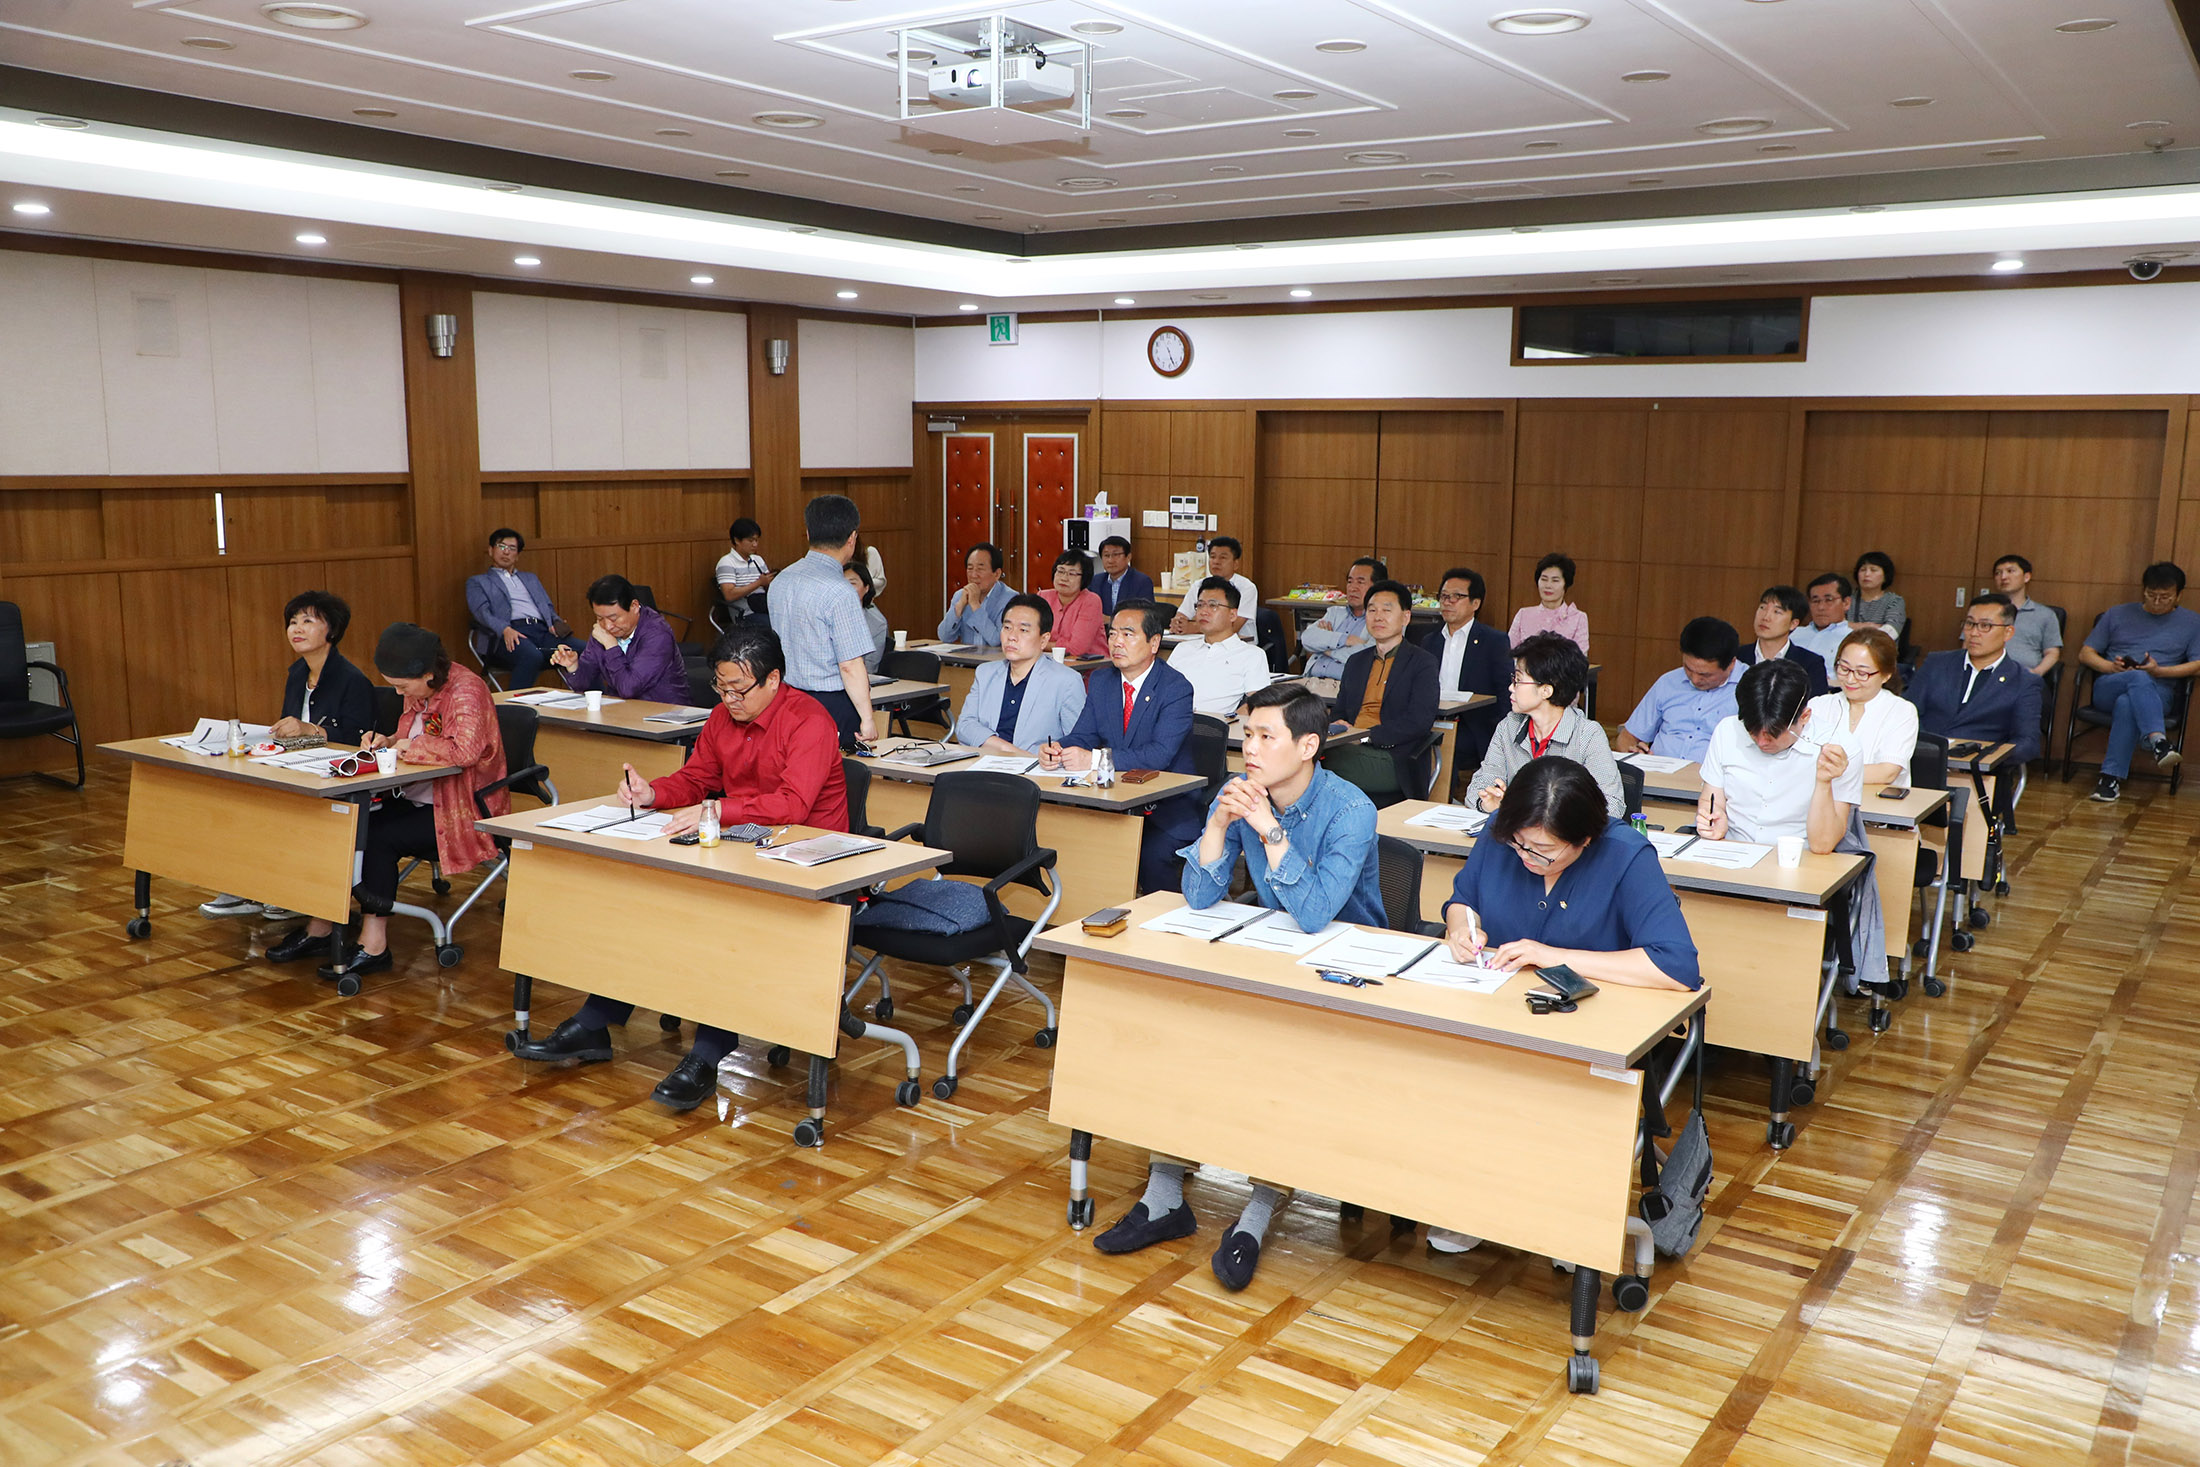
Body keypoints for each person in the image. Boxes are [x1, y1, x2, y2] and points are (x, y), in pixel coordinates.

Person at [1095, 683, 1384, 1288]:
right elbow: (1199, 896)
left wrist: (1267, 828)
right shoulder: (1241, 794)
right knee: (1181, 1029)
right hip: (1270, 952)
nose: (1248, 748)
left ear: (1308, 746)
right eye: (1247, 733)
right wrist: (1220, 826)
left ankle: (1254, 1215)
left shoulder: (1351, 809)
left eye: (1265, 736)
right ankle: (1165, 1196)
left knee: (1278, 1061)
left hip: (1348, 972)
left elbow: (1315, 914)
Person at [511, 626, 850, 1110]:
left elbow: (792, 804)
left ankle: (707, 1056)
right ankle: (594, 1023)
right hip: (744, 847)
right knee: (654, 904)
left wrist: (717, 810)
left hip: (807, 864)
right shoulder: (720, 718)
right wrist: (654, 795)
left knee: (720, 925)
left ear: (774, 679)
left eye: (739, 689)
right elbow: (697, 778)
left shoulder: (809, 722)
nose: (729, 698)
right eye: (721, 687)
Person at [1433, 756, 1699, 1252]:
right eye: (1519, 845)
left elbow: (1676, 967)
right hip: (1497, 1014)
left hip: (1588, 1031)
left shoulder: (1626, 855)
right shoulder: (1503, 834)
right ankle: (1469, 1201)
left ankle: (1565, 1220)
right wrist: (1460, 929)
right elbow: (1462, 897)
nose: (1527, 858)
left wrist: (1551, 956)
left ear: (1584, 840)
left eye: (1544, 851)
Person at [263, 624, 507, 981]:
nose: (398, 693)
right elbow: (408, 736)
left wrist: (410, 747)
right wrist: (387, 739)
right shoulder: (419, 686)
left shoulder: (467, 690)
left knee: (375, 834)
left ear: (427, 673)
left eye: (402, 687)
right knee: (339, 821)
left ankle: (374, 945)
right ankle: (322, 925)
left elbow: (466, 750)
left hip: (461, 809)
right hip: (413, 794)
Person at [200, 591, 378, 922]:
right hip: (299, 763)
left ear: (332, 630)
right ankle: (245, 887)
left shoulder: (353, 680)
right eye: (293, 621)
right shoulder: (297, 673)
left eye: (308, 621)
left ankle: (286, 891)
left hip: (337, 774)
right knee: (242, 794)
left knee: (279, 807)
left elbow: (359, 740)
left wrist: (310, 729)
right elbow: (292, 732)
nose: (296, 628)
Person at [1041, 601, 1201, 892]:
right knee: (1066, 841)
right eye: (1112, 634)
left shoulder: (1175, 687)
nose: (1117, 642)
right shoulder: (1102, 680)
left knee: (1151, 858)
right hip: (1112, 799)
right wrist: (1059, 748)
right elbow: (1084, 734)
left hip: (1165, 807)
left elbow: (1159, 754)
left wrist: (1093, 760)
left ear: (1154, 643)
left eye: (1128, 635)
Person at [1697, 658, 1860, 855]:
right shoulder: (1727, 730)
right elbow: (1711, 801)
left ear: (1804, 717)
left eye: (1773, 735)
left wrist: (1824, 782)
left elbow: (1823, 845)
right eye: (1752, 732)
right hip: (1731, 851)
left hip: (1799, 861)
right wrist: (1714, 819)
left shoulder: (1839, 748)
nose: (1762, 742)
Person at [2077, 561, 2200, 802]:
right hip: (2110, 685)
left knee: (2127, 703)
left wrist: (2160, 672)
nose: (2156, 602)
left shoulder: (2193, 622)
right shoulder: (2117, 613)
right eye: (2151, 595)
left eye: (2164, 597)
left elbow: (2197, 665)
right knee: (2135, 677)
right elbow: (2086, 653)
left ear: (2178, 595)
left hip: (2159, 692)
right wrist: (2109, 666)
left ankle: (2109, 779)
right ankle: (2158, 740)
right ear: (2143, 590)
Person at [1466, 632, 1624, 819]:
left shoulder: (1587, 735)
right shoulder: (1509, 726)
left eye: (1518, 680)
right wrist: (1487, 803)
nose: (1510, 687)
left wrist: (1537, 813)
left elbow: (1612, 805)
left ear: (1546, 690)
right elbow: (1478, 786)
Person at [769, 494, 878, 750]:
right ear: (852, 539)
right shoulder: (841, 591)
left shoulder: (781, 580)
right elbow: (850, 664)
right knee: (835, 783)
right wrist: (868, 718)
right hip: (830, 705)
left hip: (786, 699)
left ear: (808, 533)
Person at [1325, 579, 1439, 802]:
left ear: (1405, 617)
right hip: (1349, 745)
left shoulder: (1423, 662)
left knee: (1323, 760)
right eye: (1372, 610)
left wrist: (1365, 738)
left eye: (1387, 610)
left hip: (1394, 757)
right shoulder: (1356, 661)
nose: (1378, 617)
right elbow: (1339, 711)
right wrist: (1341, 728)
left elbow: (1419, 721)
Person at [1909, 593, 2045, 767]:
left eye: (1985, 626)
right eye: (1970, 624)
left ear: (2008, 632)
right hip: (1922, 762)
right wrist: (1927, 750)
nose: (1974, 633)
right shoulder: (1936, 663)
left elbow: (2028, 743)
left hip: (1979, 773)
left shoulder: (2023, 682)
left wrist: (1983, 758)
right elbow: (1907, 713)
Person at [953, 594, 1088, 756]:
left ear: (1044, 640)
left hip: (1037, 773)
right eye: (1007, 627)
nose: (1012, 637)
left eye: (1023, 630)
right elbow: (965, 726)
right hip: (986, 764)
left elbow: (1078, 741)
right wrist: (1012, 752)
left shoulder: (1066, 681)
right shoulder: (985, 673)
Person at [1417, 566, 1510, 776]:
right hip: (1431, 720)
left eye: (1457, 596)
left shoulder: (1493, 641)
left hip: (1472, 726)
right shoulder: (1429, 640)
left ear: (1475, 603)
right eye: (1444, 596)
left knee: (1450, 747)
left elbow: (1505, 694)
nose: (1448, 602)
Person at [1615, 617, 1743, 763]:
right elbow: (1627, 737)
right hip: (1659, 774)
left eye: (1705, 675)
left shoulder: (1753, 688)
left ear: (1731, 663)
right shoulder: (1668, 682)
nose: (1694, 680)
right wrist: (1633, 753)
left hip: (1714, 780)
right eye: (1688, 669)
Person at [465, 528, 581, 688]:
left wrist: (555, 622)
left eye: (512, 548)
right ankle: (516, 710)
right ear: (491, 550)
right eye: (501, 546)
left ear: (517, 555)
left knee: (585, 650)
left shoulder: (530, 578)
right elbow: (481, 613)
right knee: (532, 656)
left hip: (542, 632)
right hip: (507, 634)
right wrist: (504, 629)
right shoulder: (478, 582)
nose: (506, 552)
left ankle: (596, 698)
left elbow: (546, 606)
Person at [550, 574, 690, 706]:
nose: (607, 626)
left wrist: (611, 646)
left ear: (634, 606)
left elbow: (628, 688)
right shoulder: (603, 631)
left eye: (613, 618)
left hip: (664, 718)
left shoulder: (657, 634)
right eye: (600, 618)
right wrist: (573, 666)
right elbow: (583, 684)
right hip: (621, 713)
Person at [1809, 627, 1918, 785]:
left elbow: (1886, 773)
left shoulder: (1901, 711)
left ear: (1886, 675)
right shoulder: (1818, 705)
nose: (1850, 679)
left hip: (1876, 805)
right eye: (1844, 669)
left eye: (1862, 673)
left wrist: (1829, 772)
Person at [1167, 577, 1271, 718]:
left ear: (1233, 614)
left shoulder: (1251, 655)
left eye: (1213, 605)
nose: (1204, 611)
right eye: (1200, 605)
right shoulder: (1182, 649)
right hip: (1173, 724)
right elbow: (1161, 691)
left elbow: (1258, 704)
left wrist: (1227, 722)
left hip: (1216, 731)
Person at [1735, 585, 1829, 697]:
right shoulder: (1736, 657)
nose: (1765, 617)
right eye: (1762, 608)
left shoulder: (1810, 663)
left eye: (1777, 612)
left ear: (1793, 623)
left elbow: (1815, 707)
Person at [1299, 557, 1382, 682]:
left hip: (1345, 687)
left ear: (1377, 587)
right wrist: (1346, 640)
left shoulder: (1382, 619)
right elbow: (1307, 638)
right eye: (1350, 582)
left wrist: (1326, 648)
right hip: (1311, 682)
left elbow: (1367, 656)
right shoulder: (1335, 612)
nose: (1352, 588)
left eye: (1360, 582)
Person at [1170, 537, 1257, 641]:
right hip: (1202, 643)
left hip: (1239, 646)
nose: (1216, 562)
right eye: (1212, 557)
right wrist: (1178, 624)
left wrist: (1193, 627)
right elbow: (1182, 615)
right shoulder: (1199, 585)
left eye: (1223, 558)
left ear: (1236, 564)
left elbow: (1233, 626)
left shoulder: (1247, 588)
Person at [1991, 554, 2063, 677]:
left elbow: (2052, 652)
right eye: (1998, 573)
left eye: (2010, 571)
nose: (2003, 577)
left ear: (2026, 577)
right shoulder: (1984, 612)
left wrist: (2036, 673)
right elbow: (1968, 645)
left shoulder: (2045, 615)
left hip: (2024, 677)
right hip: (1988, 674)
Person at [1507, 552, 1588, 653]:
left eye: (1555, 581)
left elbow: (1579, 660)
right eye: (1544, 579)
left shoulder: (1578, 618)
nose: (1548, 585)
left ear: (1565, 584)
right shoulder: (1523, 614)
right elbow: (1508, 652)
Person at [939, 542, 1017, 646]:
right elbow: (944, 637)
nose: (973, 575)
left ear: (997, 574)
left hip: (995, 661)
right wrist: (958, 608)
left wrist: (975, 606)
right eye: (970, 568)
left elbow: (997, 641)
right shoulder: (960, 595)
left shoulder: (1011, 599)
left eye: (980, 569)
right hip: (966, 660)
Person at [1039, 550, 1107, 660]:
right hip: (1050, 664)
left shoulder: (1091, 601)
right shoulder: (1043, 597)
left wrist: (1040, 644)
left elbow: (1077, 648)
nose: (1064, 578)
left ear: (1084, 577)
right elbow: (1028, 635)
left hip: (1089, 668)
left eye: (1071, 574)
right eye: (1060, 571)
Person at [715, 517, 774, 622]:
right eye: (750, 540)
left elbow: (768, 586)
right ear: (737, 540)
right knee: (774, 624)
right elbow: (729, 595)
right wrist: (758, 583)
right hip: (744, 614)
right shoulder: (726, 562)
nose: (755, 544)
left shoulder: (758, 560)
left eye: (756, 540)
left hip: (764, 607)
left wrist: (770, 582)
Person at [1791, 573, 1856, 663]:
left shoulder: (1853, 640)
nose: (1821, 607)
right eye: (1815, 601)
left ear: (1846, 603)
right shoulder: (1793, 634)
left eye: (1829, 600)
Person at [842, 560, 891, 674]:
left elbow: (870, 667)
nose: (846, 588)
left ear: (866, 588)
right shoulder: (826, 615)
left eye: (852, 583)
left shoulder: (876, 623)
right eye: (842, 583)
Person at [1094, 535, 1154, 618]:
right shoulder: (1096, 581)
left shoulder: (1142, 582)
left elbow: (1146, 616)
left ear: (1128, 557)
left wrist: (1110, 620)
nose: (1110, 560)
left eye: (1116, 555)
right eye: (1106, 555)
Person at [1851, 552, 1906, 639]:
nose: (1867, 574)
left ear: (1885, 576)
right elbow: (1832, 628)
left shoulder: (1894, 601)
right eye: (1863, 570)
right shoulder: (1847, 599)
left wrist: (1853, 626)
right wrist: (1869, 626)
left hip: (1878, 650)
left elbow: (1889, 633)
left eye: (1873, 570)